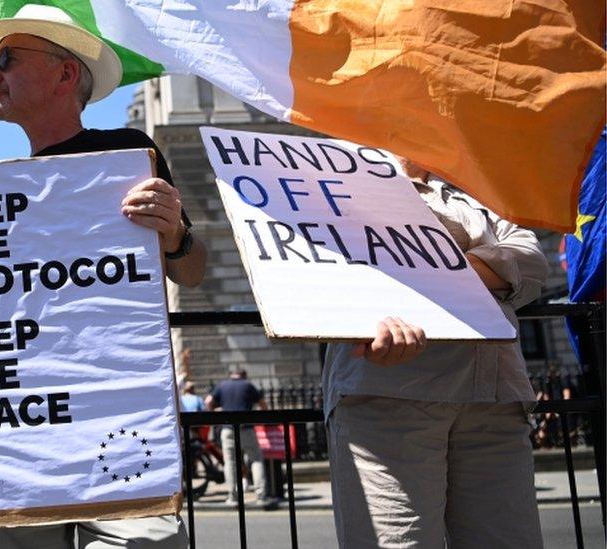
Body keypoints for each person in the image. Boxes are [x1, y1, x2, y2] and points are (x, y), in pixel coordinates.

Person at [0, 4, 207, 548]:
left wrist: (174, 236)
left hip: (116, 423)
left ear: (65, 72)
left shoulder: (125, 156)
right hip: (19, 435)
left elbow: (192, 272)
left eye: (5, 59)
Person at [323, 156, 549, 548]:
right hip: (389, 399)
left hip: (495, 398)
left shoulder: (480, 182)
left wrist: (423, 266)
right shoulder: (336, 173)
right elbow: (330, 269)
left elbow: (531, 263)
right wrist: (483, 263)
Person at [204, 366, 269, 505]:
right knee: (256, 459)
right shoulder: (248, 385)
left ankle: (233, 496)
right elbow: (263, 405)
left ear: (231, 375)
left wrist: (215, 412)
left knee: (230, 463)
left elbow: (208, 401)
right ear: (243, 375)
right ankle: (261, 494)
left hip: (227, 429)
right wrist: (261, 416)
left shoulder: (221, 385)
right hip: (246, 429)